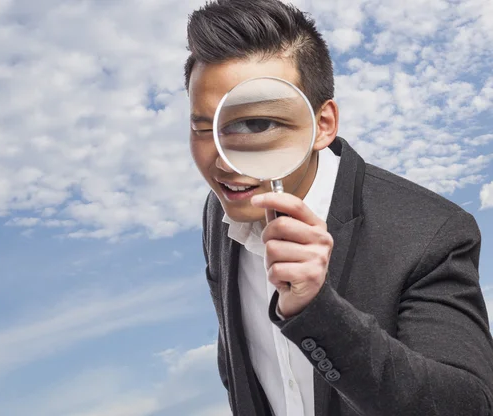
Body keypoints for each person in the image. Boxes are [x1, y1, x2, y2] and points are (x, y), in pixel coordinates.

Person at [184, 0, 493, 415]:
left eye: (256, 124)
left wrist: (318, 310)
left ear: (322, 125)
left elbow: (468, 405)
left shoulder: (431, 233)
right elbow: (239, 363)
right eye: (204, 128)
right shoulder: (219, 213)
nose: (222, 161)